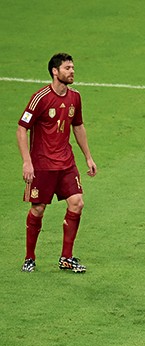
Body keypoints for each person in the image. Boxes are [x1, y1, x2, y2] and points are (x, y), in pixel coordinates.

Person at [17, 53, 97, 273]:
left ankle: (66, 258)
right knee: (38, 209)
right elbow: (22, 128)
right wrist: (27, 162)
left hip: (66, 163)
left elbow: (78, 126)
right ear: (55, 71)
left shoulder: (75, 97)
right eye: (67, 68)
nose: (72, 71)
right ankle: (30, 257)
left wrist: (88, 157)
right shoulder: (40, 98)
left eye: (73, 67)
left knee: (77, 202)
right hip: (42, 164)